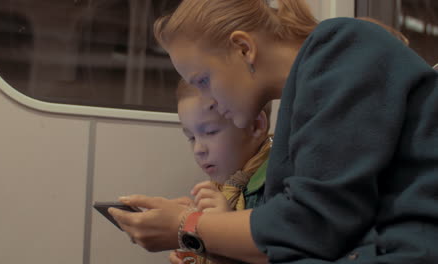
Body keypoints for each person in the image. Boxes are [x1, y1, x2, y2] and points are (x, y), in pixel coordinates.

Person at [109, 0, 438, 263]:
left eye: (203, 80)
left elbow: (313, 226)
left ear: (243, 49)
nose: (208, 99)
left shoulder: (340, 46)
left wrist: (186, 226)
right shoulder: (305, 103)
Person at [169, 80, 273, 264]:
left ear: (256, 126)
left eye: (210, 132)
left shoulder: (278, 185)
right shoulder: (223, 186)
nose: (198, 149)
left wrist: (222, 228)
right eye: (191, 137)